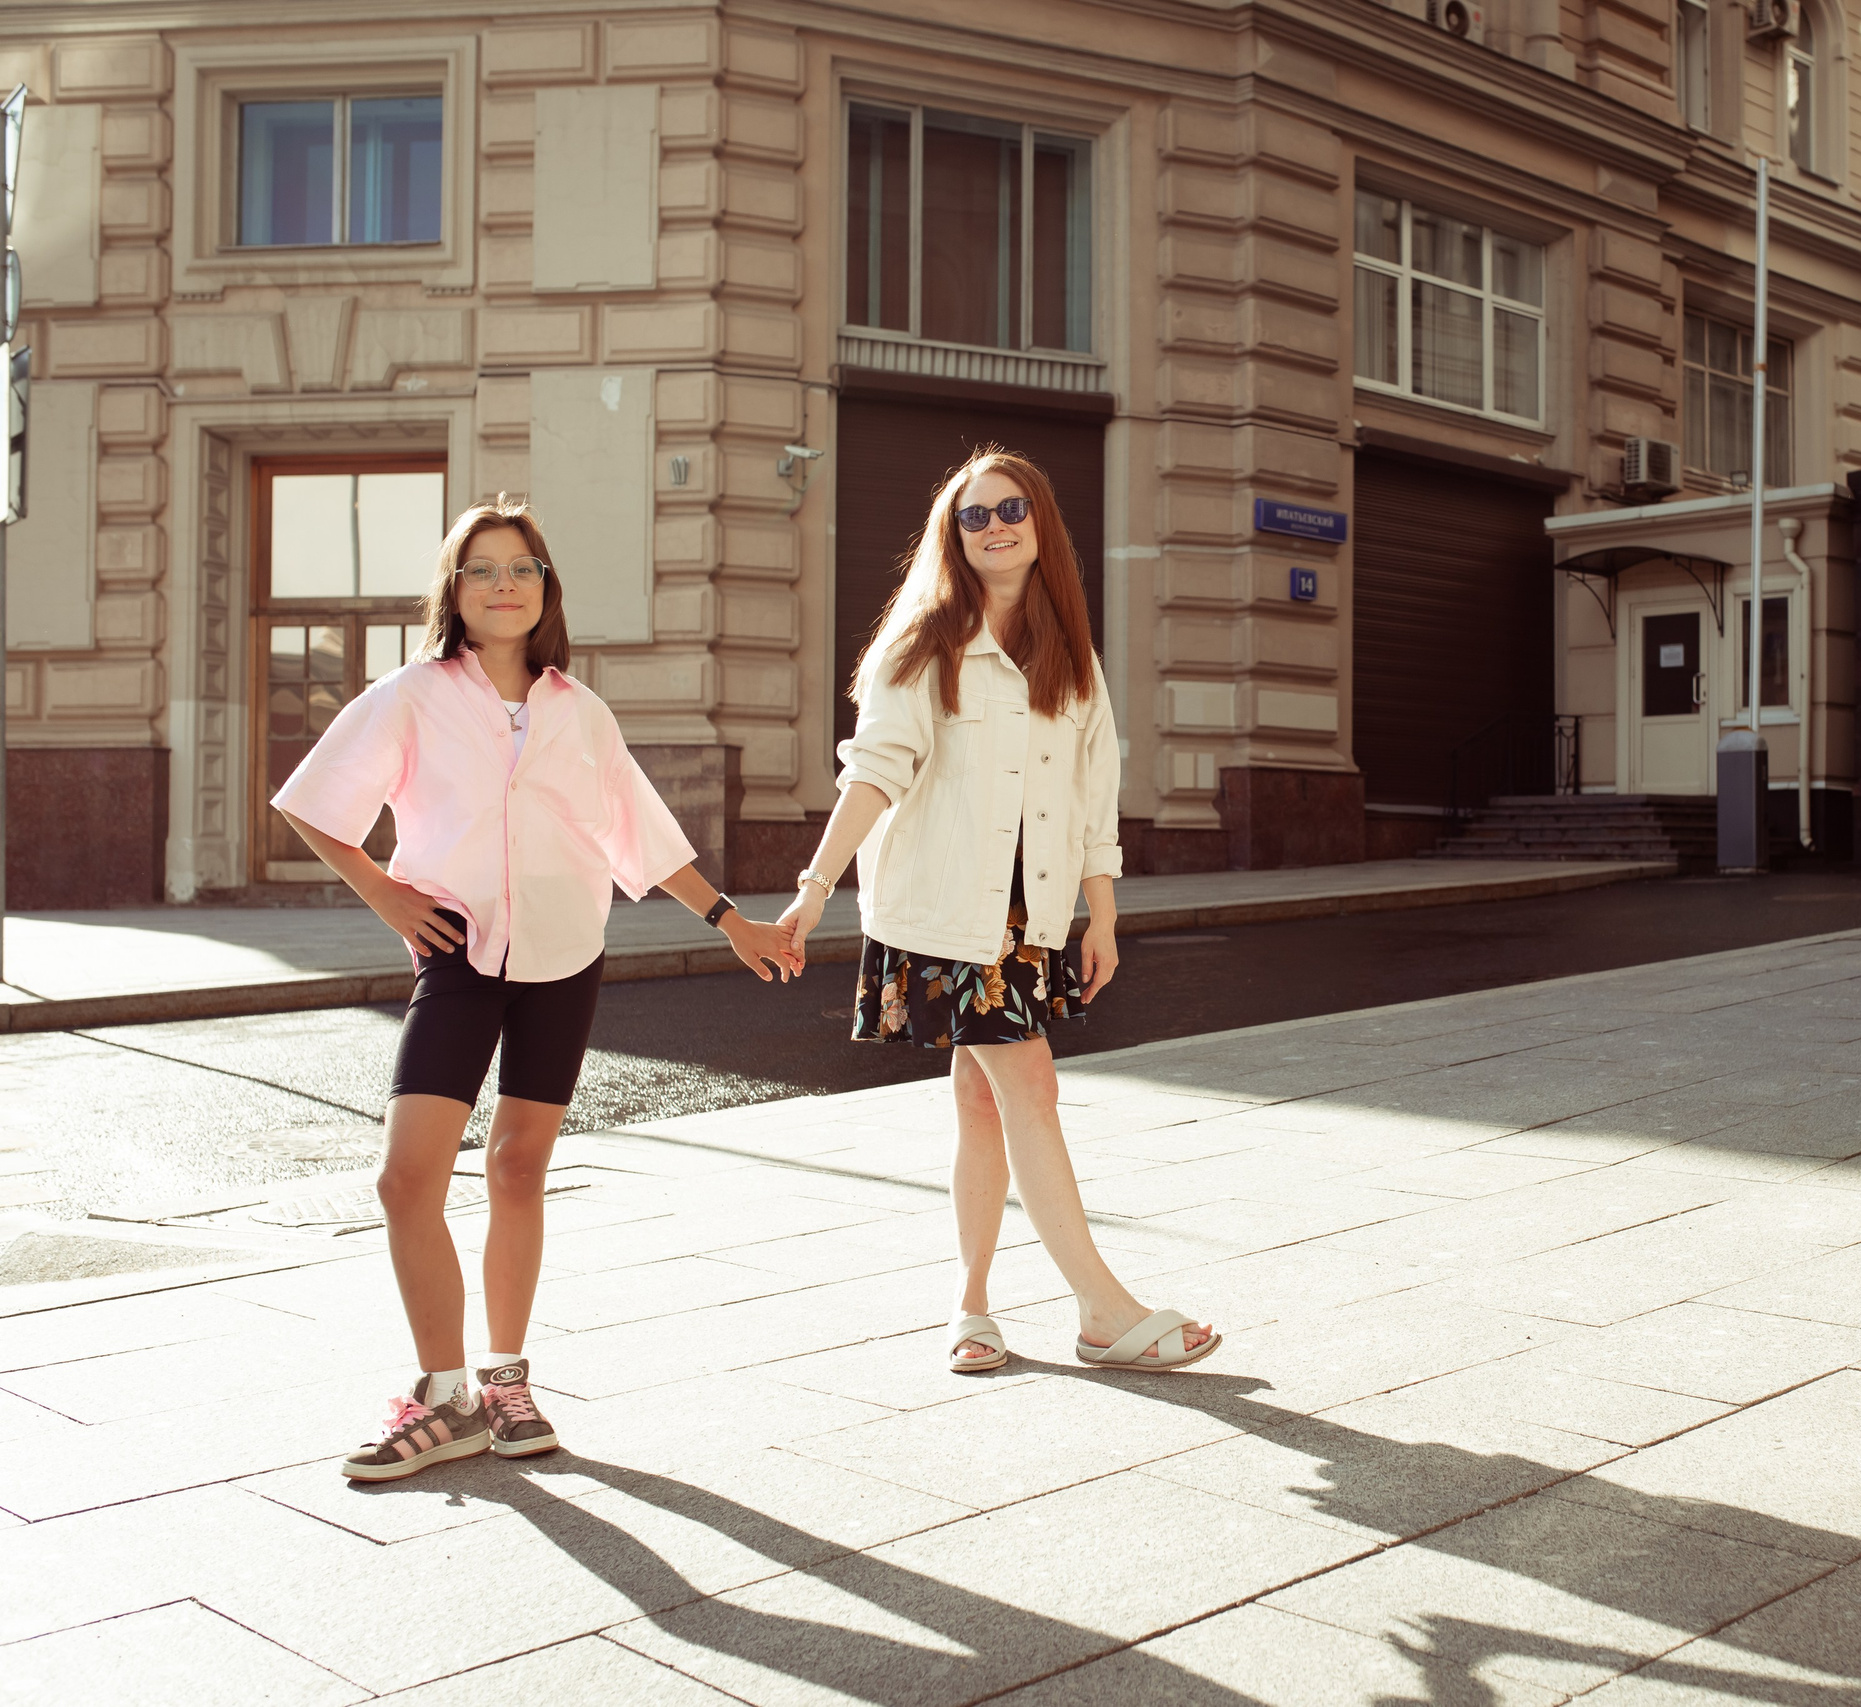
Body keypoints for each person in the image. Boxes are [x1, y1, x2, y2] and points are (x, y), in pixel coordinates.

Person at [274, 496, 802, 1482]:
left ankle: (506, 1384)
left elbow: (640, 833)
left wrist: (734, 922)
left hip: (566, 957)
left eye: (522, 568)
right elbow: (317, 801)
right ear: (456, 590)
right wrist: (386, 893)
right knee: (406, 1179)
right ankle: (444, 1397)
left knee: (518, 1169)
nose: (504, 584)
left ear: (545, 588)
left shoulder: (578, 711)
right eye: (483, 569)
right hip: (460, 953)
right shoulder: (411, 695)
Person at [780, 449, 1218, 1375]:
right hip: (947, 910)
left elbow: (1096, 792)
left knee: (983, 1103)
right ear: (955, 536)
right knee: (1030, 1086)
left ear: (1041, 522)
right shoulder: (924, 642)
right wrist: (814, 888)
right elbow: (876, 770)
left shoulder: (1070, 654)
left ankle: (971, 1307)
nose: (994, 526)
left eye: (1010, 508)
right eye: (973, 516)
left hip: (1033, 915)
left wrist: (1101, 914)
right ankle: (1103, 1309)